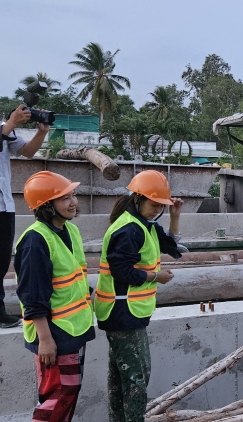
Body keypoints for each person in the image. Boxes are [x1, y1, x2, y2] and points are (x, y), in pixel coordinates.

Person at [93, 170, 183, 422]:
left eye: (160, 206)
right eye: (154, 204)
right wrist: (156, 277)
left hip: (128, 312)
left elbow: (171, 246)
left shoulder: (145, 226)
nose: (156, 210)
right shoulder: (129, 230)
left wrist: (175, 216)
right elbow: (121, 271)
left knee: (121, 377)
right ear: (137, 199)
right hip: (123, 312)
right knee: (135, 378)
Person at [15, 171, 95, 421]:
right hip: (53, 333)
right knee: (59, 393)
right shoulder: (35, 241)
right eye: (64, 198)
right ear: (46, 206)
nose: (73, 202)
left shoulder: (69, 231)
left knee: (69, 390)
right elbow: (32, 296)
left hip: (73, 328)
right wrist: (45, 341)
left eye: (73, 195)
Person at [1, 104, 48, 328]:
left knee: (1, 263)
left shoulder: (4, 129)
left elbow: (28, 152)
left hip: (4, 205)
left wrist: (41, 132)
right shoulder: (5, 127)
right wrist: (10, 124)